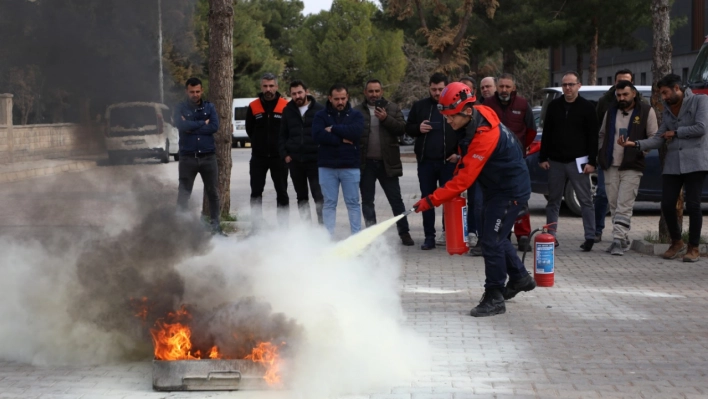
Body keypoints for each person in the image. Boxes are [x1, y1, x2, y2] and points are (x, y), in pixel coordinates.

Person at [412, 82, 535, 317]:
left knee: (490, 241)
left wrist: (431, 200)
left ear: (467, 110)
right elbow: (466, 162)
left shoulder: (485, 135)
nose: (448, 121)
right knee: (496, 236)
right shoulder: (477, 118)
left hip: (509, 192)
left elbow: (464, 181)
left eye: (451, 117)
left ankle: (495, 296)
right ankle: (520, 278)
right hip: (496, 188)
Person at [619, 74, 708, 262]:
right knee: (667, 204)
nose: (664, 97)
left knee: (693, 205)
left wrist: (676, 132)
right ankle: (677, 242)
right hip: (674, 163)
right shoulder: (667, 111)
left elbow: (701, 128)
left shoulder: (700, 101)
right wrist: (635, 144)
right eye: (661, 94)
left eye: (666, 93)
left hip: (696, 161)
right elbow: (658, 138)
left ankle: (693, 247)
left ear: (677, 88)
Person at [539, 71, 599, 251]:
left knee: (585, 200)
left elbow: (593, 137)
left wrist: (592, 161)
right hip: (556, 161)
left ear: (579, 85)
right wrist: (543, 157)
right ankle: (551, 236)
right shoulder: (554, 106)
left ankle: (590, 236)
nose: (568, 88)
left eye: (571, 84)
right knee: (553, 201)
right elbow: (547, 133)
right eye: (565, 85)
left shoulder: (587, 107)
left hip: (578, 161)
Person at [598, 80, 657, 255]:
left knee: (624, 204)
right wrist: (601, 152)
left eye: (625, 94)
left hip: (632, 165)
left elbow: (654, 137)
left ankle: (617, 240)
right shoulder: (611, 111)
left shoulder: (646, 111)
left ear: (633, 94)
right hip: (611, 164)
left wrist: (639, 148)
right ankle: (622, 238)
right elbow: (601, 134)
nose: (622, 98)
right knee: (614, 204)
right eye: (619, 95)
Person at [355, 79, 414, 246]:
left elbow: (402, 129)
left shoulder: (392, 108)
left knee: (396, 200)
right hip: (366, 164)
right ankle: (371, 235)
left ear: (381, 92)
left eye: (377, 91)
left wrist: (386, 118)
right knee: (367, 201)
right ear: (365, 93)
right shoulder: (357, 111)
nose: (374, 94)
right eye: (371, 91)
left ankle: (404, 233)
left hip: (388, 163)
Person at [405, 73, 461, 250]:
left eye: (440, 89)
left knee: (449, 199)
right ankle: (429, 236)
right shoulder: (420, 106)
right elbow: (408, 129)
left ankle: (448, 234)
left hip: (448, 161)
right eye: (433, 89)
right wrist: (418, 128)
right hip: (426, 163)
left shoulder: (453, 106)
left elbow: (463, 132)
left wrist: (458, 155)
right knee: (427, 200)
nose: (437, 93)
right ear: (429, 88)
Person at [483, 73, 537, 252]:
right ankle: (503, 234)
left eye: (508, 86)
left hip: (517, 162)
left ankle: (523, 236)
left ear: (513, 88)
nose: (504, 90)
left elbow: (530, 130)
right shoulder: (488, 105)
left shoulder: (522, 105)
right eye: (501, 86)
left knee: (520, 200)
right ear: (496, 87)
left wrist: (520, 148)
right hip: (494, 163)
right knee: (498, 200)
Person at [312, 84, 364, 236]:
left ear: (347, 97)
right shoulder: (320, 116)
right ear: (330, 98)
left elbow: (355, 133)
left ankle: (356, 237)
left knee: (353, 203)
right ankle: (327, 238)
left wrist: (333, 128)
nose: (340, 102)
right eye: (336, 99)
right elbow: (318, 135)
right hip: (327, 167)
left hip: (350, 166)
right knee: (329, 204)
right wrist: (342, 140)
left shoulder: (356, 115)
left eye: (343, 98)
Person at [174, 77, 224, 235]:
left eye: (197, 91)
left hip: (208, 157)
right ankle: (180, 229)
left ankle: (216, 227)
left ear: (202, 91)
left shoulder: (210, 107)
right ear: (186, 92)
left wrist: (191, 126)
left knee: (213, 193)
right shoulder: (180, 108)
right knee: (184, 193)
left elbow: (214, 127)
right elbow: (181, 125)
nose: (195, 94)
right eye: (191, 92)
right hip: (188, 158)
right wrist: (203, 123)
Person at [594, 69, 636, 243]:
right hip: (608, 158)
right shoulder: (605, 102)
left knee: (624, 200)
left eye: (626, 81)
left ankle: (621, 234)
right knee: (604, 195)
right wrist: (600, 151)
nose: (622, 86)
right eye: (619, 81)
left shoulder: (641, 103)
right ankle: (598, 230)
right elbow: (598, 129)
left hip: (630, 158)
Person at [246, 73, 290, 228]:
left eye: (271, 86)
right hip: (259, 158)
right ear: (261, 87)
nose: (268, 89)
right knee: (256, 193)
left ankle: (284, 227)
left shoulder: (285, 105)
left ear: (277, 87)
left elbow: (289, 131)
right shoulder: (253, 106)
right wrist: (259, 144)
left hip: (279, 157)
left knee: (282, 193)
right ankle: (256, 226)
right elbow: (249, 130)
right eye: (265, 86)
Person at [279, 80, 325, 224]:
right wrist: (285, 155)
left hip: (315, 161)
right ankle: (306, 230)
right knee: (301, 197)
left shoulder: (320, 110)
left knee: (319, 196)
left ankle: (323, 228)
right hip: (295, 162)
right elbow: (282, 135)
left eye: (300, 92)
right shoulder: (288, 111)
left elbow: (326, 134)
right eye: (294, 94)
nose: (297, 96)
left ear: (306, 91)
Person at [459, 76, 483, 250]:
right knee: (457, 199)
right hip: (457, 160)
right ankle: (457, 232)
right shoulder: (453, 112)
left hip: (477, 162)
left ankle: (475, 232)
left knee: (476, 199)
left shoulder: (479, 113)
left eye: (468, 90)